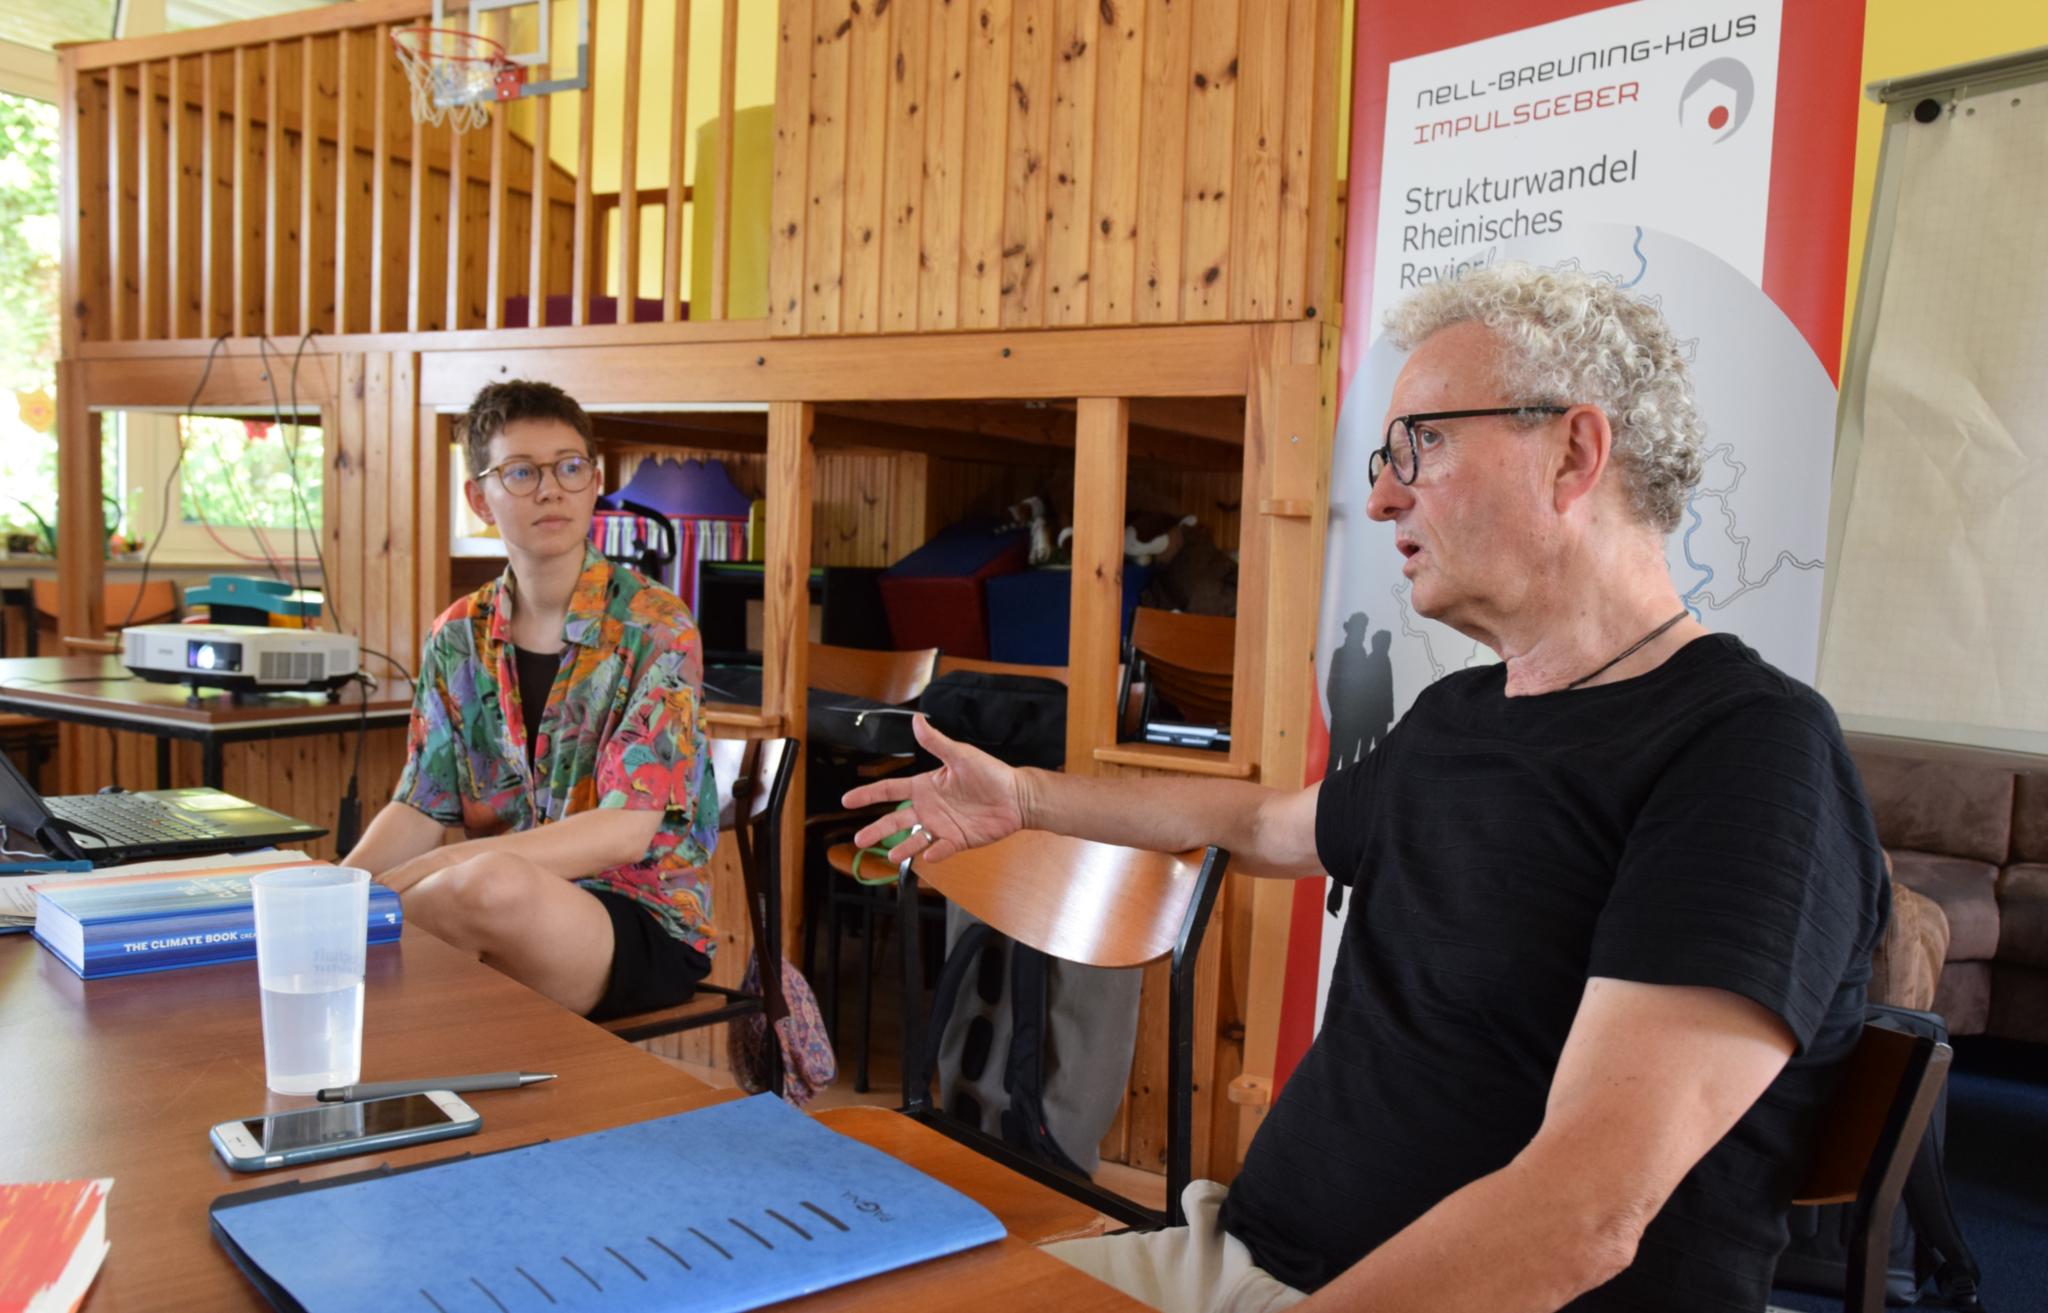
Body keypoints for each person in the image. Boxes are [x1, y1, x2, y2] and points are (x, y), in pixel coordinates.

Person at [845, 265, 1889, 1313]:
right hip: (1241, 1259)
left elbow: (1579, 1214)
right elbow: (1260, 822)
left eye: (1419, 443)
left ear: (1572, 452)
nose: (1383, 493)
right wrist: (1023, 797)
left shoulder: (1746, 755)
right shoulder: (1459, 716)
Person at [343, 380, 719, 1021]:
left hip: (636, 921)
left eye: (570, 468)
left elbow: (627, 831)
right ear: (479, 498)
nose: (551, 489)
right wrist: (336, 886)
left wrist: (452, 860)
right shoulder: (457, 635)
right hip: (491, 904)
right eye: (521, 472)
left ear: (595, 480)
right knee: (397, 926)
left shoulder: (657, 624)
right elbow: (419, 804)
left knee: (483, 887)